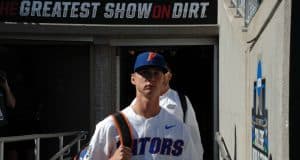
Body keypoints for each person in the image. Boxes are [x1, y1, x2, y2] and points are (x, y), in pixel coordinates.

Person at [83, 51, 197, 160]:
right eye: (145, 73)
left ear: (164, 80)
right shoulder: (110, 126)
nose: (151, 79)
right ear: (133, 79)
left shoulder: (179, 129)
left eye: (156, 73)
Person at [160, 65, 204, 159]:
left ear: (169, 76)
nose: (161, 76)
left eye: (164, 72)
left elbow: (193, 132)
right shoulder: (144, 101)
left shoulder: (181, 100)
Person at [0, 70, 17, 160]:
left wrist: (6, 86)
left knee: (11, 152)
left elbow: (12, 104)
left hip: (3, 127)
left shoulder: (2, 88)